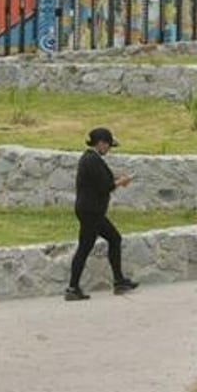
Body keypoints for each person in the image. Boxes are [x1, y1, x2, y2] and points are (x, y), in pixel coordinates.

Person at [65, 128, 139, 301]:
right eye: (108, 145)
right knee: (101, 242)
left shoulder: (91, 159)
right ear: (101, 143)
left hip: (89, 210)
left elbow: (102, 180)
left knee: (103, 242)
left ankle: (116, 281)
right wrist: (120, 182)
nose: (109, 149)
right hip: (92, 211)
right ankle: (73, 287)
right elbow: (104, 187)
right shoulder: (92, 160)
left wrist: (116, 180)